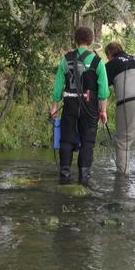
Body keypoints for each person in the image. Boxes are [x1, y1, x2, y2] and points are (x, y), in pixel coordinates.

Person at [50, 26, 109, 185]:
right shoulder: (98, 62)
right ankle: (84, 178)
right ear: (90, 41)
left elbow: (58, 86)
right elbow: (103, 91)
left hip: (69, 104)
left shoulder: (66, 59)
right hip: (89, 108)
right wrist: (103, 111)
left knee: (66, 140)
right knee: (88, 141)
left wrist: (55, 105)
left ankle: (64, 175)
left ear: (75, 41)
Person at [104, 41, 135, 177]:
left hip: (128, 103)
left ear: (109, 55)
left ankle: (122, 176)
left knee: (123, 142)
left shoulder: (111, 64)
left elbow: (102, 88)